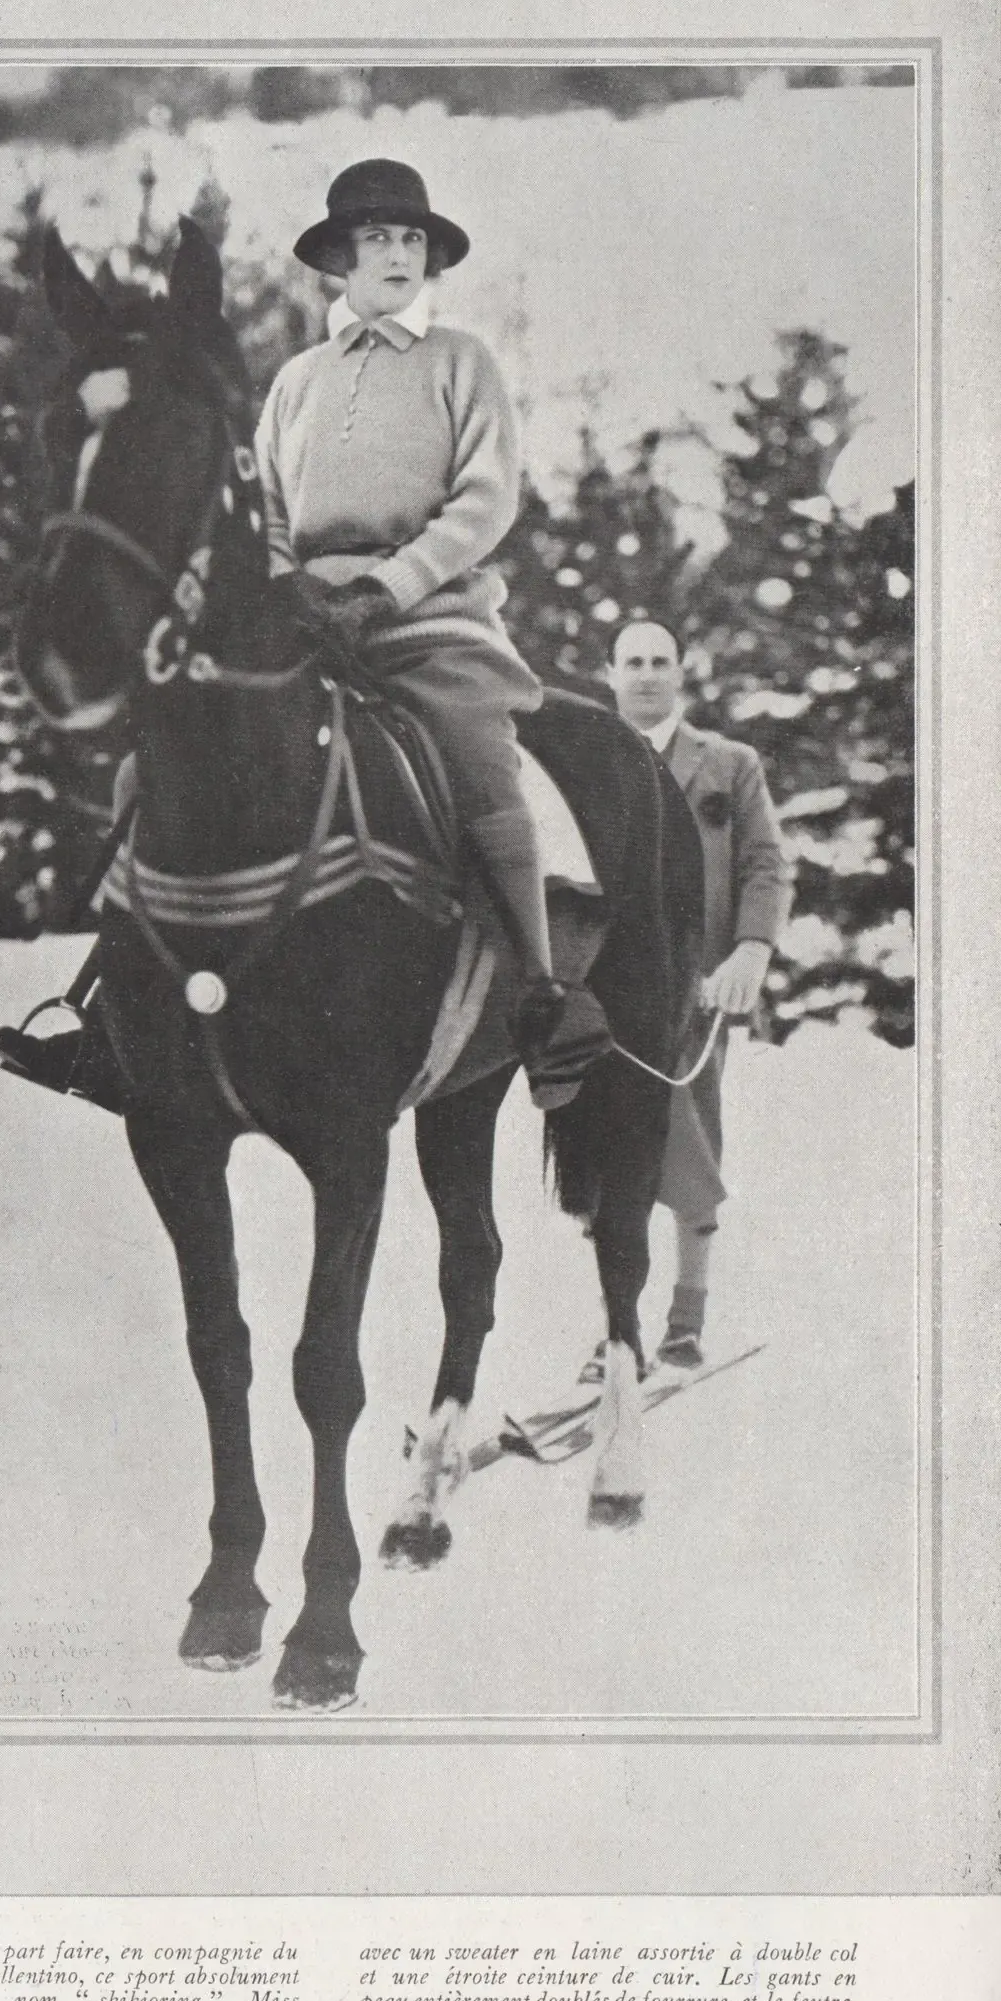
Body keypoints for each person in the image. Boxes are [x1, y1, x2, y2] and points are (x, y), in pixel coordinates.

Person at [255, 158, 611, 1106]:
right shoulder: (295, 381)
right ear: (339, 257)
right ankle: (128, 1005)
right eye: (376, 237)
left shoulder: (462, 360)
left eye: (410, 238)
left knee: (477, 753)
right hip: (302, 627)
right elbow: (268, 509)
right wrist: (291, 589)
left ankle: (539, 991)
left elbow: (487, 499)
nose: (396, 253)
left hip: (428, 619)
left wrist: (390, 584)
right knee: (184, 743)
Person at [606, 616, 795, 1367]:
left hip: (699, 989)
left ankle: (686, 1318)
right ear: (610, 673)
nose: (647, 674)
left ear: (682, 671)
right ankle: (617, 1326)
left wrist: (750, 950)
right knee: (607, 1154)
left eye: (660, 661)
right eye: (633, 662)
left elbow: (766, 863)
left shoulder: (728, 763)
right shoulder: (590, 762)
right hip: (610, 992)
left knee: (689, 1143)